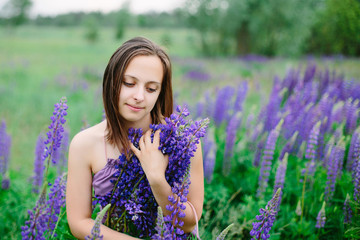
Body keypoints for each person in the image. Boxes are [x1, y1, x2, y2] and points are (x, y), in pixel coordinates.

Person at [66, 37, 204, 240]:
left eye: (151, 89)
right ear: (111, 81)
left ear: (160, 92)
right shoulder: (84, 143)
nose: (139, 96)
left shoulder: (184, 142)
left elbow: (191, 222)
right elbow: (79, 223)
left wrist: (157, 179)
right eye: (129, 83)